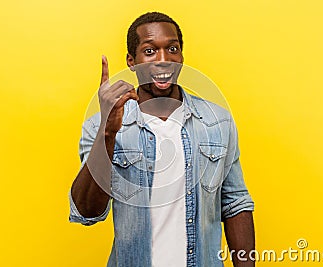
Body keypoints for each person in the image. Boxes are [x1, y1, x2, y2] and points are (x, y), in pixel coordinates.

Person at [69, 12, 255, 267]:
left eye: (172, 48)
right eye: (150, 51)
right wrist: (108, 133)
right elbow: (86, 211)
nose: (164, 59)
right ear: (131, 61)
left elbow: (235, 205)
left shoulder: (217, 122)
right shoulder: (100, 126)